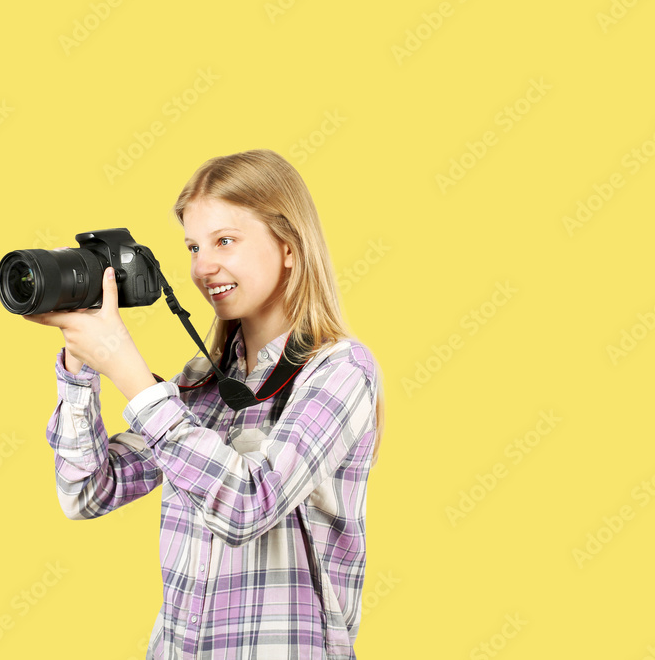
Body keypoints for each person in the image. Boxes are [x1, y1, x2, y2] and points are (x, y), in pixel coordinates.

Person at [25, 149, 385, 659]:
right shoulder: (205, 385)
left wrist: (129, 370)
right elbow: (86, 492)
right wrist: (81, 361)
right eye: (194, 246)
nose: (202, 266)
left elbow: (247, 505)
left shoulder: (341, 372)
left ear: (289, 247)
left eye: (225, 241)